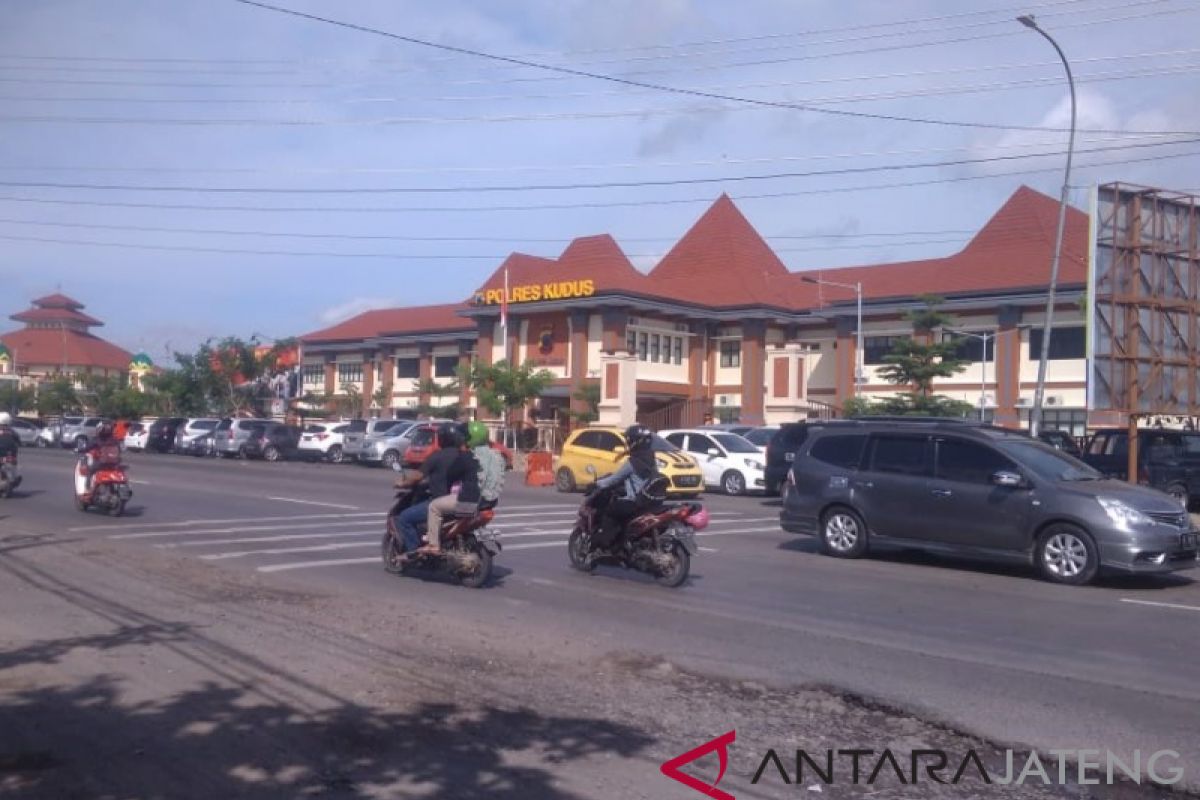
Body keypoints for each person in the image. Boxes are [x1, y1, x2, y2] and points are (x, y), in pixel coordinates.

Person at [394, 423, 479, 556]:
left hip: (440, 501)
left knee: (404, 518)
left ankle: (413, 553)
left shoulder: (437, 456)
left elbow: (418, 476)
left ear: (441, 439)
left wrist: (403, 483)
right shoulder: (463, 455)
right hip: (461, 500)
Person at [590, 424, 661, 551]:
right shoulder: (652, 459)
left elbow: (614, 480)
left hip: (635, 503)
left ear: (635, 442)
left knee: (610, 511)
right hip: (650, 503)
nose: (628, 443)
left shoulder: (632, 462)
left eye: (629, 440)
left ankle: (606, 543)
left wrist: (596, 483)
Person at [465, 420, 504, 510]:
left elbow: (479, 480)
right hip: (493, 499)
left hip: (479, 499)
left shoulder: (474, 454)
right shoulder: (496, 454)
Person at [79, 422, 121, 493]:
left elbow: (87, 448)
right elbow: (119, 450)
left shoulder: (97, 439)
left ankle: (87, 489)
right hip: (115, 464)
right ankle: (113, 490)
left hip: (102, 463)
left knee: (89, 471)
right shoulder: (115, 439)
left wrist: (80, 450)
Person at [0, 412, 22, 490]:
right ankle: (14, 478)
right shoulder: (12, 431)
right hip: (10, 455)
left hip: (7, 456)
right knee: (14, 465)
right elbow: (19, 441)